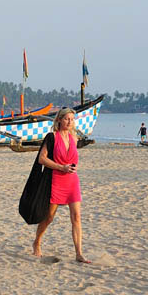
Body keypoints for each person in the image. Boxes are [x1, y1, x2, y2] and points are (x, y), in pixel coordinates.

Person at [32, 108, 91, 264]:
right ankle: (37, 240)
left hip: (72, 181)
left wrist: (72, 167)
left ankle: (79, 253)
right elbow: (42, 159)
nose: (70, 121)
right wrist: (61, 167)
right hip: (56, 179)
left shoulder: (74, 138)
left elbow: (74, 159)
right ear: (59, 120)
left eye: (72, 119)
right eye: (66, 119)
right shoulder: (52, 137)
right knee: (49, 217)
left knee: (76, 217)